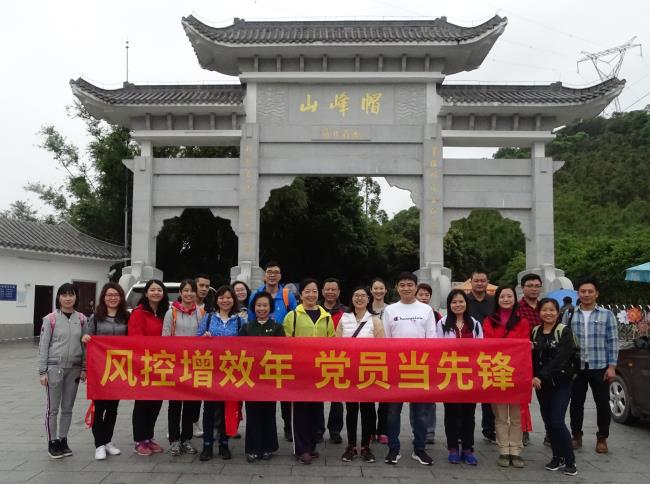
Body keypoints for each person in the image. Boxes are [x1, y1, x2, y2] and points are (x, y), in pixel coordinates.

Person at [382, 272, 436, 466]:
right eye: (402, 285)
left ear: (416, 287)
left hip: (419, 367)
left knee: (420, 413)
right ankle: (393, 449)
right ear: (397, 288)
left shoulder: (426, 310)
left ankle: (419, 449)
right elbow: (385, 340)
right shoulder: (390, 310)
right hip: (396, 369)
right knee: (392, 412)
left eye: (410, 285)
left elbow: (431, 339)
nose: (406, 288)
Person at [283, 278, 335, 465]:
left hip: (319, 371)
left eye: (314, 291)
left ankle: (311, 446)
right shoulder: (292, 316)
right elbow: (285, 343)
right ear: (301, 294)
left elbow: (332, 342)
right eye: (307, 291)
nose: (311, 295)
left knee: (315, 410)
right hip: (299, 371)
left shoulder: (326, 316)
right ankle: (301, 448)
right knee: (300, 411)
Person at [565, 278, 618, 454]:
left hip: (600, 365)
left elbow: (612, 341)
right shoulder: (570, 314)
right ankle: (576, 435)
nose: (586, 294)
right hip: (577, 367)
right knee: (576, 403)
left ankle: (602, 437)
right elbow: (565, 340)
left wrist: (612, 366)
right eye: (583, 291)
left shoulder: (607, 314)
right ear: (578, 294)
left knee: (602, 404)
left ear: (596, 294)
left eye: (590, 291)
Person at [250, 260, 298, 442]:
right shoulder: (256, 295)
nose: (272, 275)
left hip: (282, 352)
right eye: (269, 271)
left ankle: (288, 426)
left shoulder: (287, 295)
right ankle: (263, 430)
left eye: (275, 272)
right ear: (264, 275)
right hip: (260, 353)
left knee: (285, 393)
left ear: (280, 276)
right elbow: (252, 321)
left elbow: (294, 318)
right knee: (263, 393)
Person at [482, 286, 530, 468]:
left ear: (515, 299)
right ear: (497, 299)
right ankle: (503, 449)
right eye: (502, 296)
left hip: (517, 373)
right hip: (497, 371)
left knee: (517, 416)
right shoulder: (489, 321)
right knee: (501, 416)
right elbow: (489, 344)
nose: (506, 299)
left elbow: (523, 345)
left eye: (509, 296)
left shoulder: (522, 322)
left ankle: (515, 450)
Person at [38, 283, 87, 459]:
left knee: (67, 407)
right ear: (58, 297)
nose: (68, 298)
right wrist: (42, 371)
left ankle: (63, 439)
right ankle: (52, 442)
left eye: (71, 295)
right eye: (64, 295)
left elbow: (85, 345)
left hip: (74, 369)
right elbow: (43, 346)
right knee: (53, 409)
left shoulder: (82, 319)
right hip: (54, 368)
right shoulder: (50, 319)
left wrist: (84, 368)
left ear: (76, 297)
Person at [336, 285, 384, 463]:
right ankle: (350, 446)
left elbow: (382, 347)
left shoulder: (375, 320)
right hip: (349, 371)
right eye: (356, 295)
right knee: (351, 410)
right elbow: (336, 344)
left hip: (368, 371)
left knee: (368, 410)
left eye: (363, 295)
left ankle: (365, 446)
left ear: (368, 299)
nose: (359, 298)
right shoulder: (344, 318)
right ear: (352, 298)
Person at [436, 289, 483, 466]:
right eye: (454, 302)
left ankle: (468, 449)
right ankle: (453, 448)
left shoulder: (475, 324)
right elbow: (437, 348)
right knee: (451, 413)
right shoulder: (442, 323)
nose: (458, 305)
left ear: (466, 304)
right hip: (449, 375)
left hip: (470, 375)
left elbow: (481, 348)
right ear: (449, 305)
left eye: (461, 301)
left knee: (469, 413)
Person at [82, 282, 129, 460]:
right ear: (103, 297)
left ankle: (108, 441)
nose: (113, 298)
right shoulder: (96, 317)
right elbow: (88, 341)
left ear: (121, 297)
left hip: (118, 369)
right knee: (99, 407)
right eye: (109, 295)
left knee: (113, 408)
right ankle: (99, 444)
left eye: (116, 295)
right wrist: (86, 339)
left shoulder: (126, 317)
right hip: (99, 369)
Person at [197, 285, 245, 461]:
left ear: (234, 300)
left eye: (229, 297)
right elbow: (196, 341)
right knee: (209, 409)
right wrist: (203, 339)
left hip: (230, 371)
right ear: (216, 300)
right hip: (210, 371)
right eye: (221, 297)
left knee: (227, 408)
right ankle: (207, 445)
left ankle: (224, 443)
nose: (225, 300)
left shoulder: (239, 321)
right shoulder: (209, 318)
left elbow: (246, 346)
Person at [532, 298, 578, 476]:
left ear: (558, 312)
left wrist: (540, 375)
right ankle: (557, 457)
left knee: (557, 421)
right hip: (542, 385)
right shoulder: (535, 331)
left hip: (561, 382)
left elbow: (561, 358)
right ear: (539, 312)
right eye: (544, 310)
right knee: (549, 422)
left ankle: (570, 460)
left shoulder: (564, 331)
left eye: (551, 310)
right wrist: (533, 376)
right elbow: (532, 358)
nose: (548, 313)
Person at [239, 291, 285, 462]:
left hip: (270, 378)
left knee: (268, 412)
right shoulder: (247, 327)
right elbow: (239, 351)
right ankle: (252, 448)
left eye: (265, 305)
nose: (262, 308)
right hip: (250, 378)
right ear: (254, 307)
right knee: (252, 413)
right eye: (259, 305)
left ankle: (268, 447)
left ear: (270, 307)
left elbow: (282, 351)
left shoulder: (277, 327)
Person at [162, 279, 204, 456]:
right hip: (176, 364)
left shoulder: (200, 312)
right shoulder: (171, 312)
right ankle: (174, 440)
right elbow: (165, 338)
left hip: (193, 365)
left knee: (190, 404)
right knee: (174, 404)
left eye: (191, 290)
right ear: (180, 293)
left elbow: (203, 337)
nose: (188, 294)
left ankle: (186, 439)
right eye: (185, 290)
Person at [128, 279, 169, 456]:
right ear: (146, 293)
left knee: (156, 402)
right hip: (144, 364)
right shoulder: (138, 313)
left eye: (159, 290)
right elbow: (135, 339)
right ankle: (140, 440)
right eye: (152, 290)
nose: (156, 293)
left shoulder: (165, 313)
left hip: (161, 364)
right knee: (142, 402)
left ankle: (149, 437)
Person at [466, 270, 496, 444]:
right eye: (476, 280)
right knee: (467, 393)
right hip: (468, 353)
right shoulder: (463, 301)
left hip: (490, 353)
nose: (479, 283)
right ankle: (464, 431)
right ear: (470, 282)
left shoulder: (494, 301)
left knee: (488, 393)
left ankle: (489, 429)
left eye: (482, 280)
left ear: (487, 282)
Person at [320, 277, 348, 444]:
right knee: (316, 397)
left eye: (333, 289)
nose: (330, 292)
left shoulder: (346, 312)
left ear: (338, 292)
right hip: (317, 360)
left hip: (339, 359)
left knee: (337, 398)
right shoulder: (315, 309)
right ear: (322, 292)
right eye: (327, 289)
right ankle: (317, 430)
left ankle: (335, 430)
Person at [516, 273, 543, 445]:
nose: (534, 289)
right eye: (530, 286)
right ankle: (523, 430)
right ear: (522, 288)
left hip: (544, 357)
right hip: (523, 358)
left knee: (547, 397)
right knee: (522, 398)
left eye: (537, 286)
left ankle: (550, 432)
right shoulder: (517, 308)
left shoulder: (546, 307)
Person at [414, 282, 440, 445]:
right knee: (412, 399)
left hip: (429, 361)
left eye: (427, 295)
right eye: (421, 294)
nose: (424, 297)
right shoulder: (409, 311)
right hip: (409, 361)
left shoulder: (436, 315)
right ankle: (417, 431)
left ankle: (429, 430)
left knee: (429, 398)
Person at [370, 277, 390, 444]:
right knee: (368, 395)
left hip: (387, 357)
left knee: (385, 397)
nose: (378, 291)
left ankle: (382, 430)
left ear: (386, 290)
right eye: (375, 288)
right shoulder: (364, 308)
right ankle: (370, 430)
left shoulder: (391, 310)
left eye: (381, 288)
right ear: (371, 291)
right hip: (368, 357)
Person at [192, 274, 212, 438]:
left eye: (207, 286)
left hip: (204, 356)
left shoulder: (210, 308)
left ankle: (194, 422)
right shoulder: (182, 306)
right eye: (201, 286)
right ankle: (177, 426)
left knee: (200, 392)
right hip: (184, 355)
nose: (204, 289)